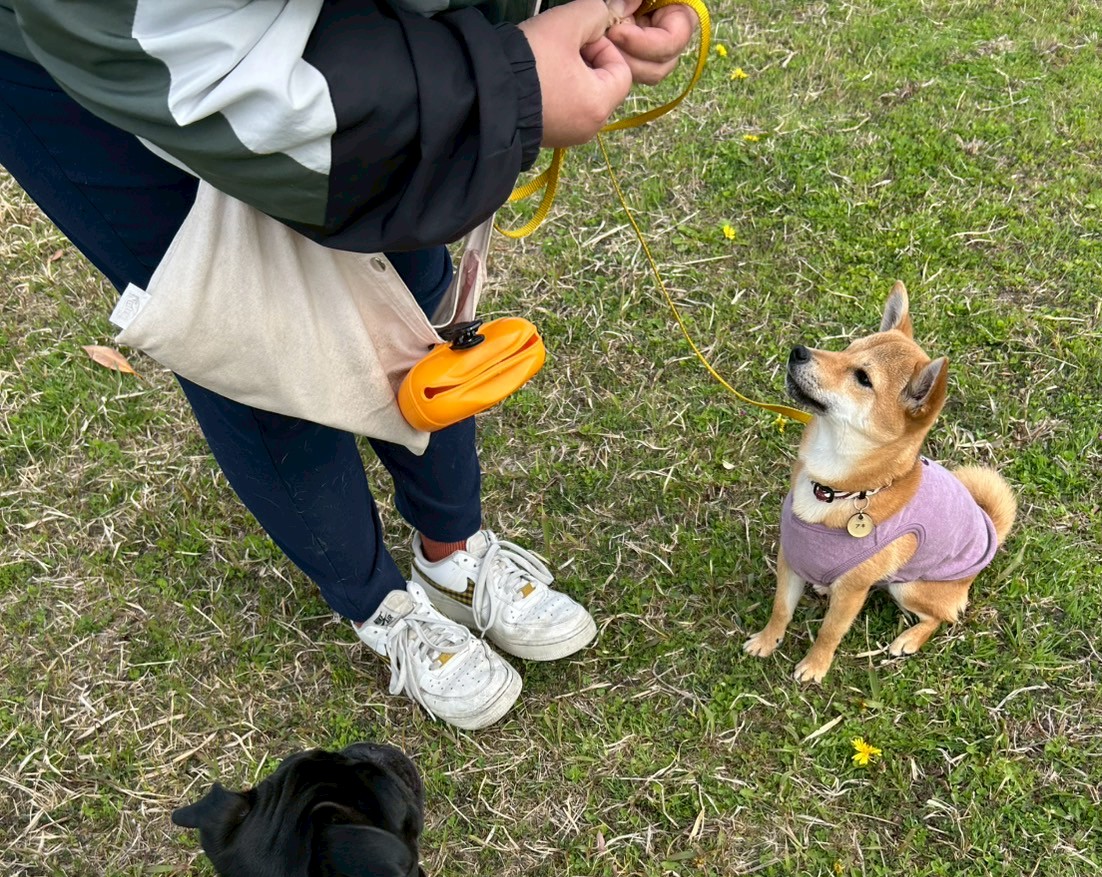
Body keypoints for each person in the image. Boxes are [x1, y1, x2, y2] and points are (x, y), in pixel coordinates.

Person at [0, 0, 697, 729]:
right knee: (248, 333)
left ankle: (452, 555)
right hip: (89, 51)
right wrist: (508, 86)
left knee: (409, 278)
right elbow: (159, 41)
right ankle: (378, 604)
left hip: (314, 22)